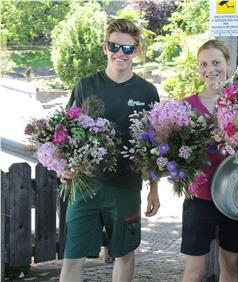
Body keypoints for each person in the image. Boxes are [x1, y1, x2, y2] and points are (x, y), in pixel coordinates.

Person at [59, 19, 160, 282]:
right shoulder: (85, 86)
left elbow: (153, 145)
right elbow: (66, 133)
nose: (120, 53)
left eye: (128, 48)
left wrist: (154, 188)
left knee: (125, 254)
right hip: (85, 184)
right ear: (105, 47)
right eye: (115, 46)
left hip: (126, 186)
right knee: (72, 256)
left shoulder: (147, 92)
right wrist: (64, 168)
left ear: (136, 51)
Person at [181, 40, 238, 282]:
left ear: (228, 64)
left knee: (230, 267)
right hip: (199, 196)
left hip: (236, 194)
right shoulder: (186, 106)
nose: (210, 69)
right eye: (204, 64)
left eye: (216, 62)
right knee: (195, 270)